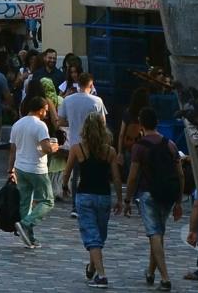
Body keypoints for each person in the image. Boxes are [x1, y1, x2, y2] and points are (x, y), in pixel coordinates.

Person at [125, 107, 183, 288]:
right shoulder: (170, 144)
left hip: (148, 193)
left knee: (154, 234)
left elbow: (132, 177)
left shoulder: (139, 147)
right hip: (168, 194)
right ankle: (150, 272)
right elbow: (180, 174)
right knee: (158, 232)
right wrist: (179, 201)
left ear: (141, 124)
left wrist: (127, 199)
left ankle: (165, 277)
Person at [63, 110, 117, 287]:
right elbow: (116, 177)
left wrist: (64, 186)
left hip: (85, 195)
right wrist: (121, 199)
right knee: (99, 235)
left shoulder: (77, 148)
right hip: (104, 195)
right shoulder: (110, 151)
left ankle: (101, 275)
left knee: (92, 237)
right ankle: (93, 267)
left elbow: (68, 172)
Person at [7, 92, 59, 249]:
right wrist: (55, 147)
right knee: (47, 201)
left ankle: (28, 237)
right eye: (46, 110)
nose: (46, 114)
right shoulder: (40, 125)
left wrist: (10, 169)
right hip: (36, 168)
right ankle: (26, 223)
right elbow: (46, 148)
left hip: (20, 167)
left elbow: (12, 149)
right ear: (41, 110)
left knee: (25, 202)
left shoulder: (18, 124)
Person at [59, 72, 106, 152]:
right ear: (91, 85)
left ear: (78, 84)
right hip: (91, 144)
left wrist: (73, 121)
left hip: (73, 144)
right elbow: (102, 123)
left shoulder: (67, 100)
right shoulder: (97, 101)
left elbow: (61, 122)